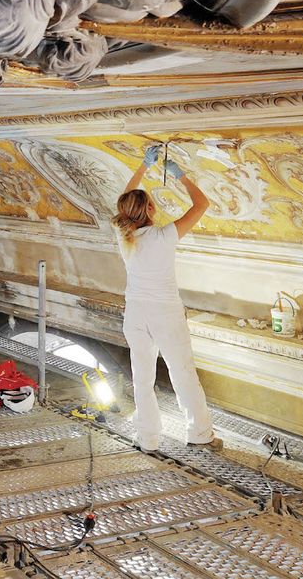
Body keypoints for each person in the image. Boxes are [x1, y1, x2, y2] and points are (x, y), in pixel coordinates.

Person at [113, 144, 221, 453]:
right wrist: (180, 175)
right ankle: (200, 434)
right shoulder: (164, 236)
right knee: (182, 373)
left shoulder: (123, 236)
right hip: (166, 315)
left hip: (135, 315)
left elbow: (125, 197)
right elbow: (202, 204)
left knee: (142, 378)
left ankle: (148, 439)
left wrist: (143, 166)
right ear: (150, 210)